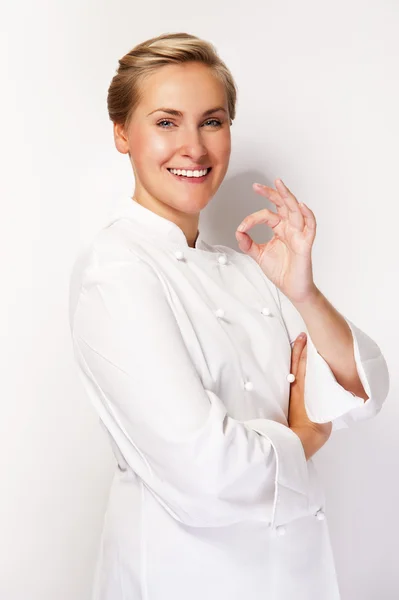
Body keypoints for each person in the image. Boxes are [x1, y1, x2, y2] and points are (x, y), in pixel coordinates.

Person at [68, 32, 390, 600]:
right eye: (166, 122)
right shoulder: (115, 271)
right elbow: (206, 473)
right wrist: (304, 437)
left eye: (212, 121)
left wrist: (305, 293)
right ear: (122, 133)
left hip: (291, 576)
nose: (194, 147)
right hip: (182, 576)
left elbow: (363, 390)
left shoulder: (244, 268)